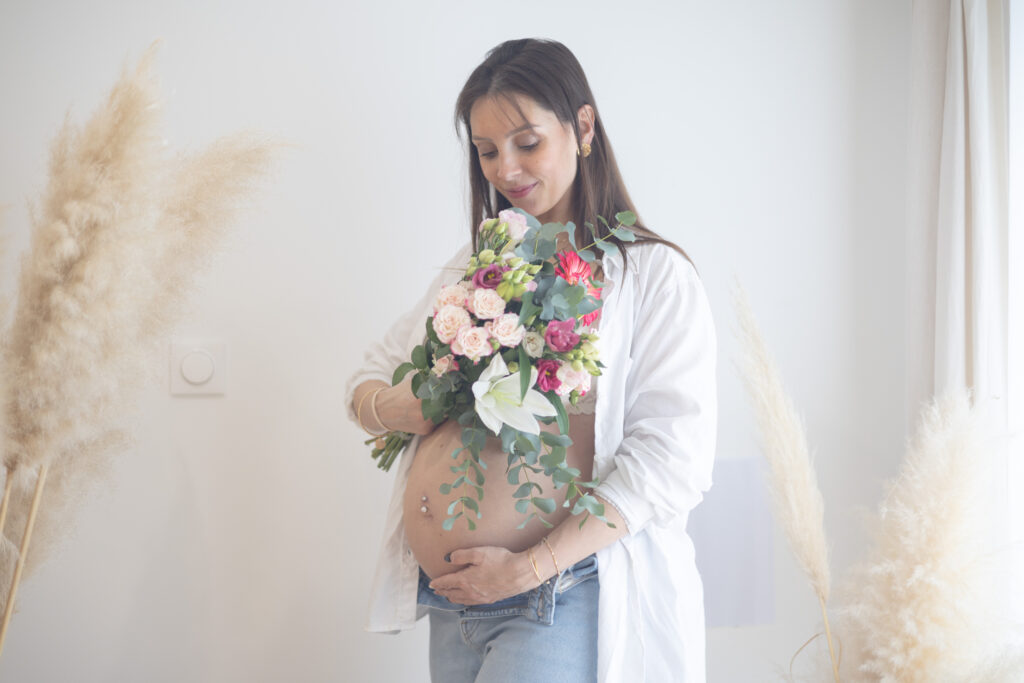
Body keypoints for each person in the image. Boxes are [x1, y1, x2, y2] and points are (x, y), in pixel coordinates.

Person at [345, 38, 717, 682]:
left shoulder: (652, 276)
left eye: (526, 143)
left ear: (583, 127)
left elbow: (671, 461)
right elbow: (364, 380)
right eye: (486, 151)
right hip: (453, 603)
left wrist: (529, 568)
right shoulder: (476, 268)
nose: (505, 169)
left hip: (561, 595)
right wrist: (400, 407)